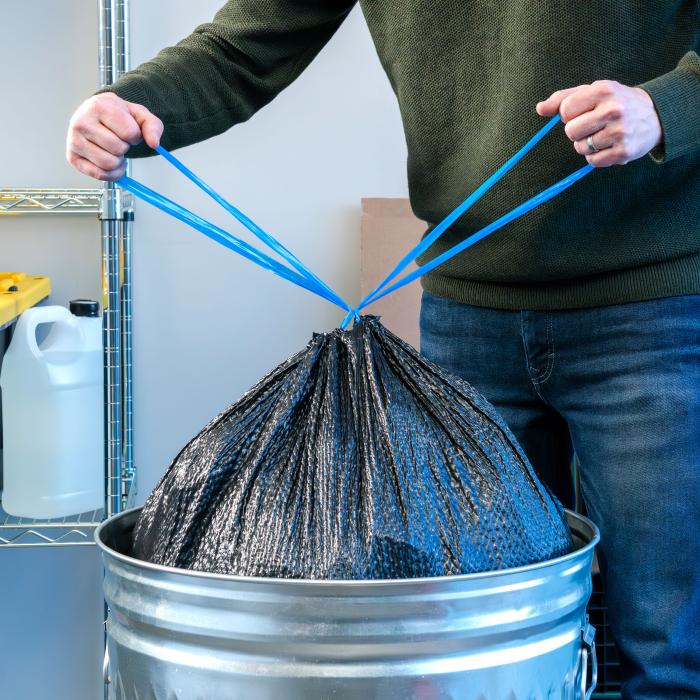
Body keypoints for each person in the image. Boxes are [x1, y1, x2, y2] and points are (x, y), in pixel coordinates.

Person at [67, 3, 700, 697]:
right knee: (471, 654)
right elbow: (244, 44)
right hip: (468, 319)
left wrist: (665, 106)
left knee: (669, 654)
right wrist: (127, 105)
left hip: (657, 308)